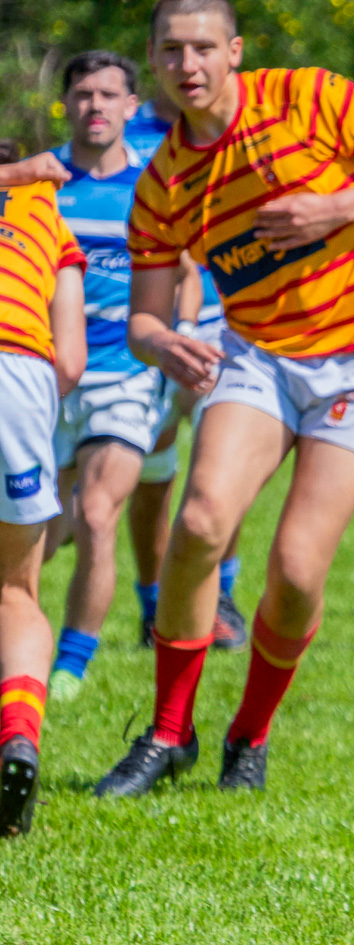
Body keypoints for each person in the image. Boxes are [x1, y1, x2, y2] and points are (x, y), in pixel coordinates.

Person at [96, 0, 354, 796]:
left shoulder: (304, 97)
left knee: (295, 571)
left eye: (202, 48)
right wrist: (163, 342)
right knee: (198, 525)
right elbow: (145, 318)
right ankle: (166, 734)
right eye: (169, 50)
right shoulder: (162, 183)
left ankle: (248, 738)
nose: (187, 65)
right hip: (256, 358)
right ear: (152, 61)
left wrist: (338, 206)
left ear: (234, 51)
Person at [35, 52, 173, 702]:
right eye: (83, 93)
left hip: (124, 375)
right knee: (37, 528)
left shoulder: (155, 187)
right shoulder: (40, 185)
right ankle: (24, 644)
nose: (95, 105)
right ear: (66, 103)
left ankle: (70, 665)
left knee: (96, 513)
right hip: (41, 378)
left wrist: (184, 339)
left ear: (131, 107)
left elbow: (187, 275)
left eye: (108, 94)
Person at [124, 90, 250, 652]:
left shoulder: (247, 128)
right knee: (154, 470)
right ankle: (154, 604)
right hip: (148, 332)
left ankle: (220, 596)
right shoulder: (129, 143)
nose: (187, 66)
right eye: (173, 50)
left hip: (224, 328)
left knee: (224, 467)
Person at [0, 141, 88, 836]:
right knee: (15, 592)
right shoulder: (47, 216)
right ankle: (20, 732)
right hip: (22, 376)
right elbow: (73, 360)